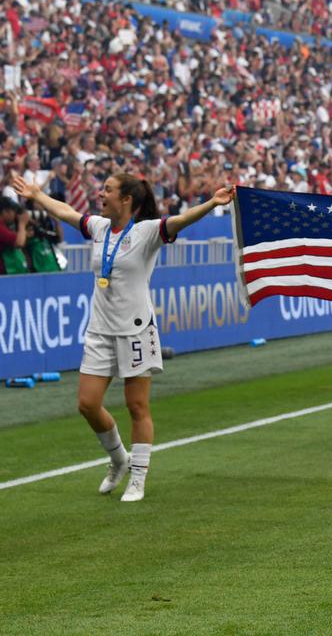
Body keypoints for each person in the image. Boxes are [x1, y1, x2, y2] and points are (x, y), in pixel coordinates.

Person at [9, 171, 234, 502]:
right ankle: (118, 460)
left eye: (108, 190)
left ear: (126, 200)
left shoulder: (146, 232)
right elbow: (65, 213)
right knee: (87, 404)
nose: (101, 194)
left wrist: (211, 203)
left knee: (137, 406)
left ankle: (138, 478)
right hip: (100, 330)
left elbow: (180, 220)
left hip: (136, 330)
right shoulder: (99, 228)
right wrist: (36, 196)